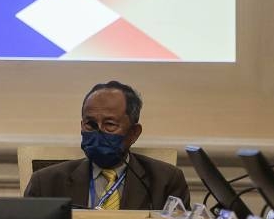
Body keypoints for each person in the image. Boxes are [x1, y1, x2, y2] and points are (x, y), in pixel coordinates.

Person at [24, 80, 190, 210]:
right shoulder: (46, 183)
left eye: (109, 124)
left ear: (133, 133)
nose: (99, 131)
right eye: (90, 124)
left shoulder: (165, 181)